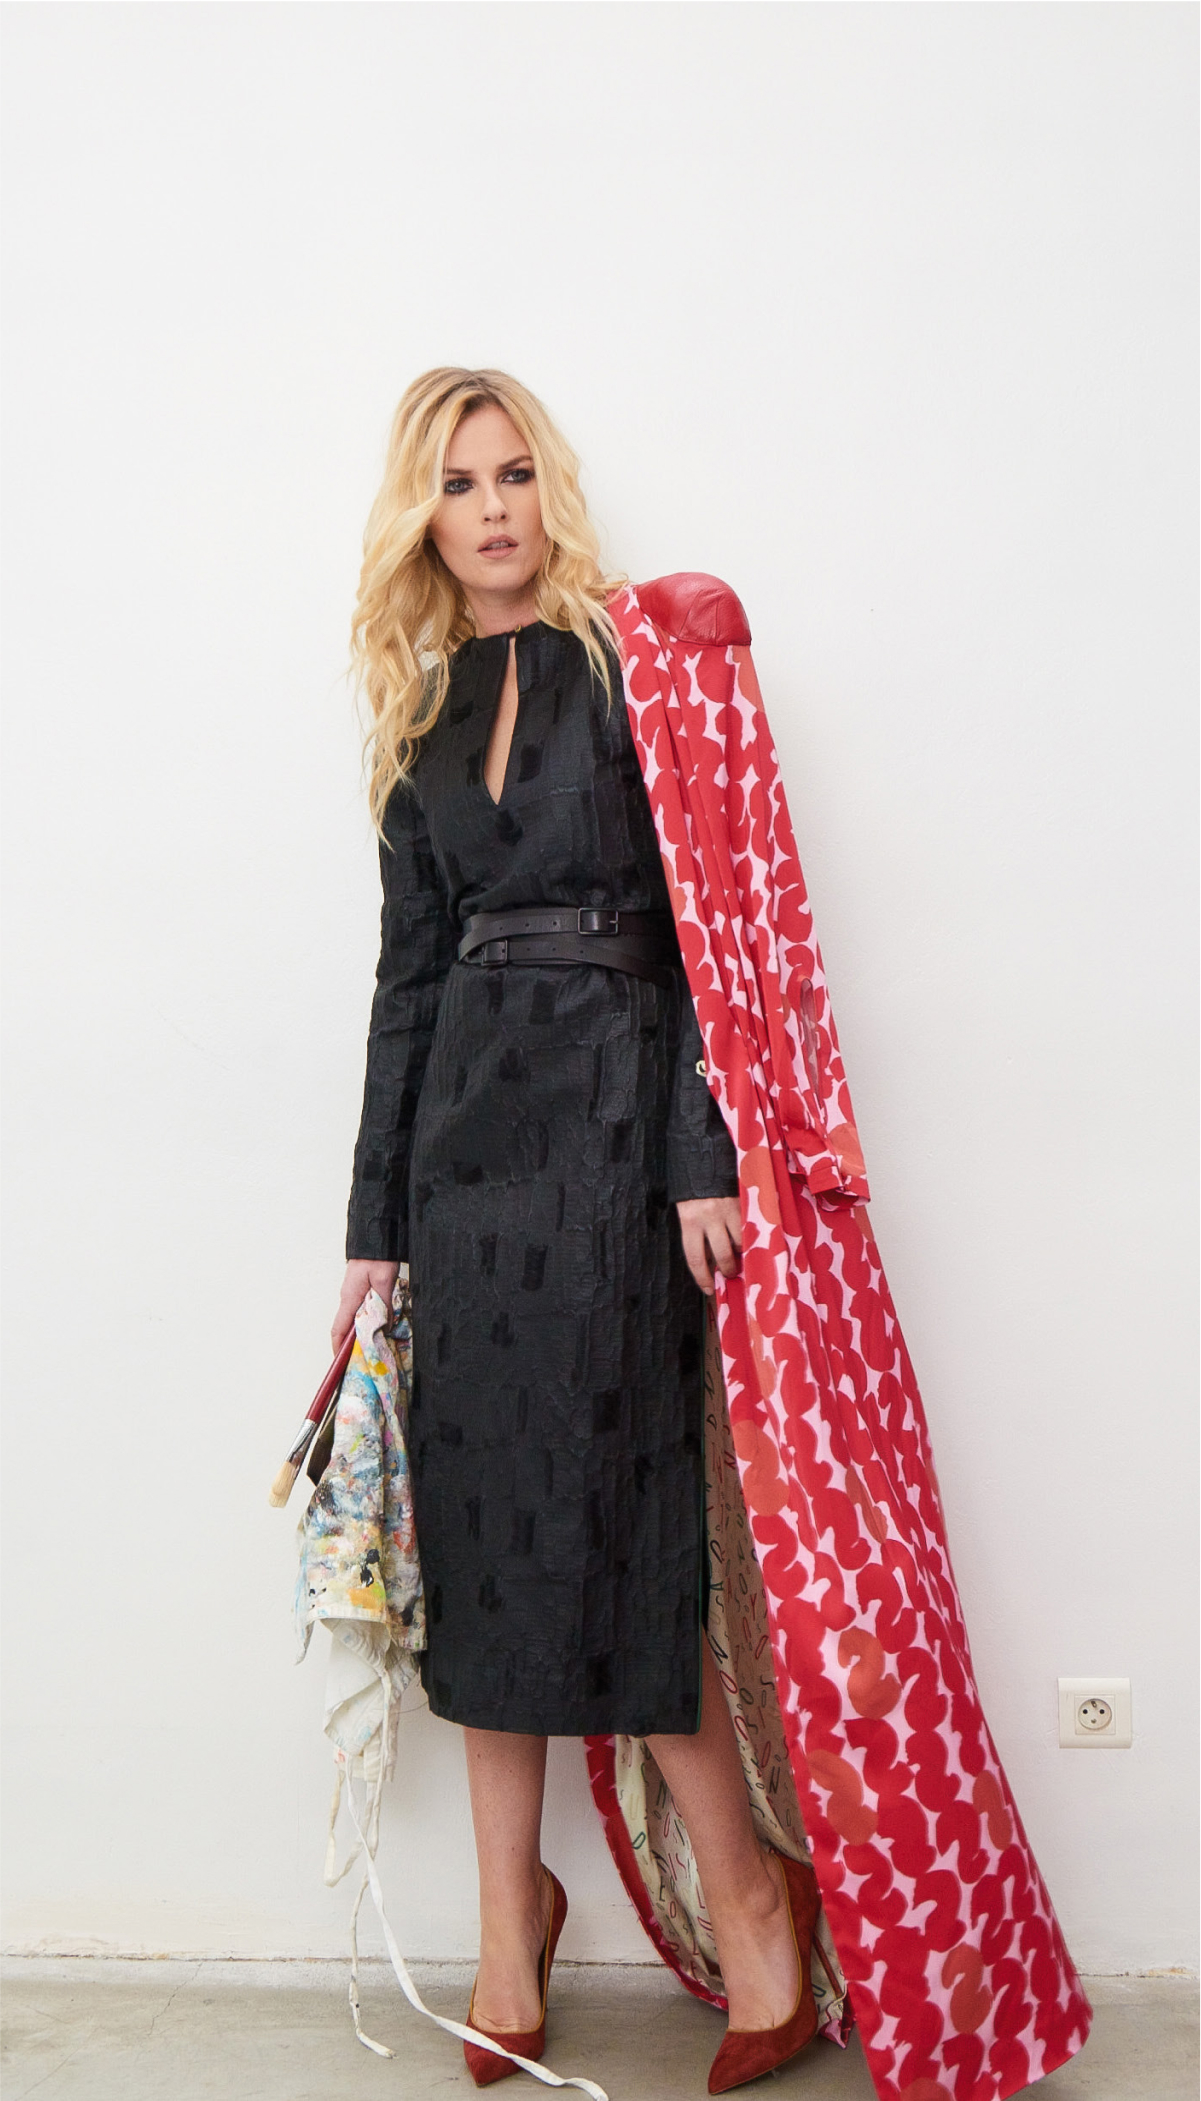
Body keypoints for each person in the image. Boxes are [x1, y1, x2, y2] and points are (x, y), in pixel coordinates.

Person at [331, 368, 822, 2094]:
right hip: (465, 1155)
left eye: (513, 472)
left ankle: (754, 1901)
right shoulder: (416, 711)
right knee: (480, 1535)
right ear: (422, 514)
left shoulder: (636, 668)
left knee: (623, 1527)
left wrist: (699, 1155)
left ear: (551, 489)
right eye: (457, 481)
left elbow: (705, 935)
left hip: (617, 1139)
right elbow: (403, 983)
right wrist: (372, 1223)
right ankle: (506, 1921)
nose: (491, 507)